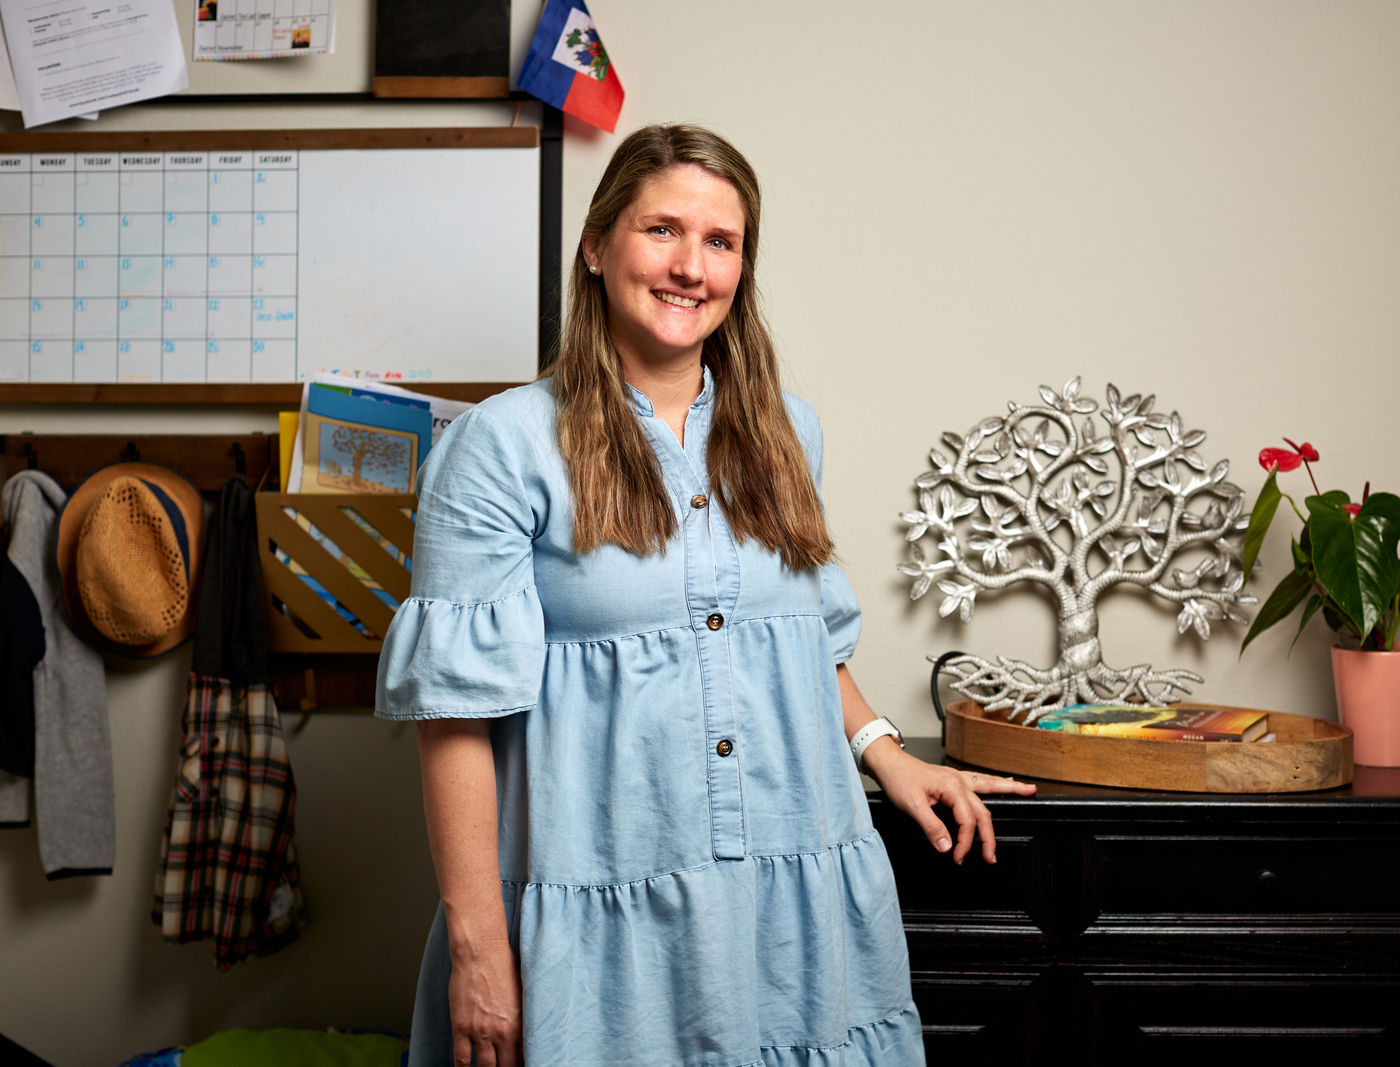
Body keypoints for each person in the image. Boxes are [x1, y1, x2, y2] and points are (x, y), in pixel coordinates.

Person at [376, 123, 1035, 1067]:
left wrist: (887, 753)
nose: (691, 266)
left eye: (720, 242)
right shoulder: (500, 445)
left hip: (787, 892)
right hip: (598, 898)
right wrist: (481, 949)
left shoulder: (786, 434)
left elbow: (795, 640)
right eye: (662, 231)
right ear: (597, 248)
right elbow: (455, 722)